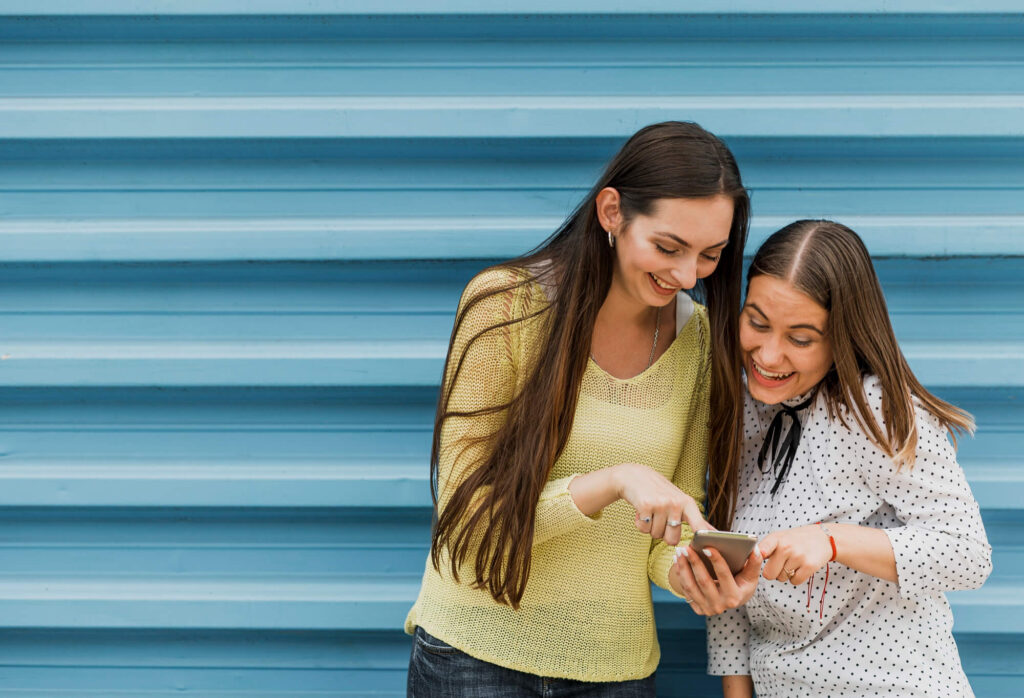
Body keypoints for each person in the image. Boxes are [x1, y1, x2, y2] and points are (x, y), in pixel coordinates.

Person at [404, 121, 751, 696]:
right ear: (612, 212)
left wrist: (696, 575)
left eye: (710, 255)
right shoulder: (503, 308)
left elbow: (664, 534)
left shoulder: (698, 340)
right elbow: (466, 521)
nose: (687, 276)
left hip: (614, 669)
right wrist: (615, 480)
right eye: (668, 248)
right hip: (474, 655)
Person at [672, 219, 993, 697]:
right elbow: (733, 592)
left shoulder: (874, 410)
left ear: (841, 336)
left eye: (800, 339)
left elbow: (967, 555)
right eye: (757, 322)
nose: (769, 354)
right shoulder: (739, 413)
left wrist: (833, 540)